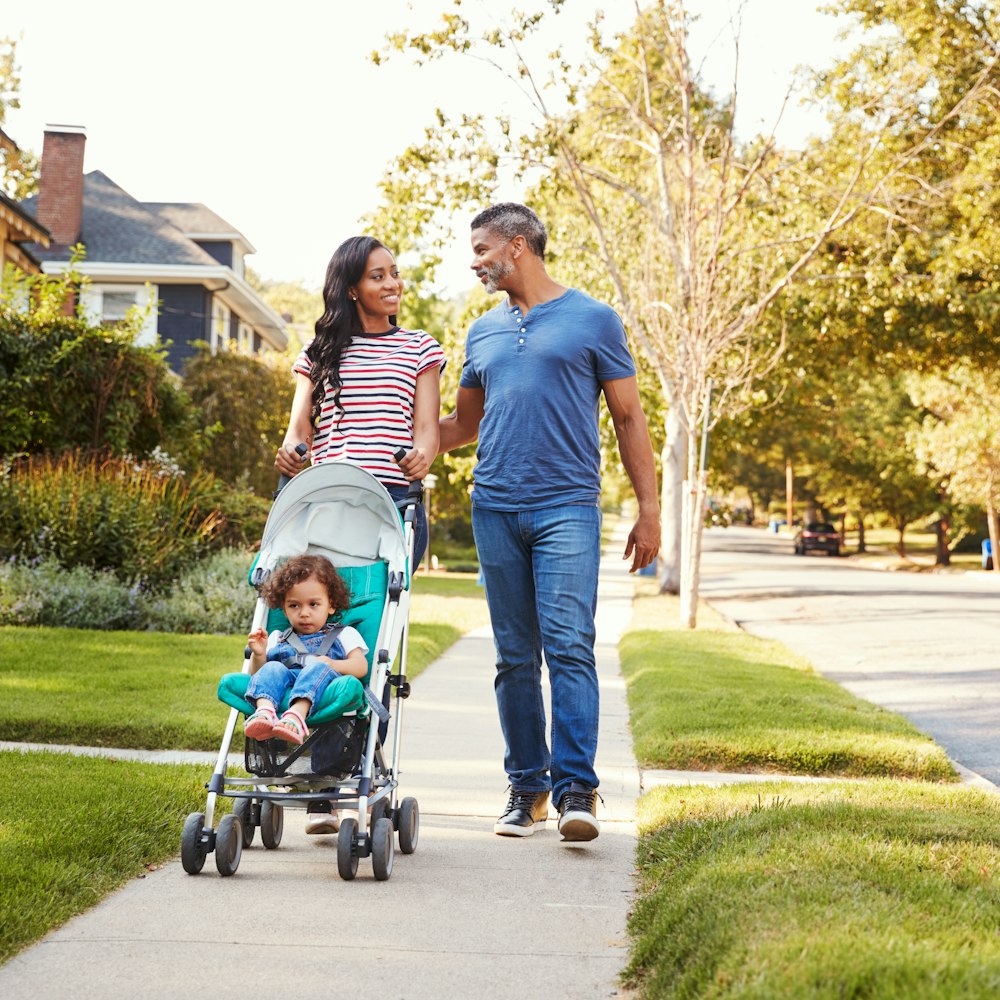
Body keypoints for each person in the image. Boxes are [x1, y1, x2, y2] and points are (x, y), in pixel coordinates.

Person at [438, 203, 660, 843]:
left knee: (568, 646)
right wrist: (386, 439)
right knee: (513, 658)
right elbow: (462, 427)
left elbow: (628, 418)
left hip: (566, 505)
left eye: (482, 249)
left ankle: (576, 792)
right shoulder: (481, 331)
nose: (475, 261)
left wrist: (649, 511)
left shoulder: (593, 319)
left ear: (517, 245)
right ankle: (527, 789)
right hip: (495, 505)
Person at [274, 235, 444, 566]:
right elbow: (299, 431)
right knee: (316, 607)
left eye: (394, 273)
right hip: (326, 498)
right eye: (377, 276)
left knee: (385, 610)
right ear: (352, 289)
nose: (393, 284)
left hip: (394, 501)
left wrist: (421, 457)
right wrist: (290, 455)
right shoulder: (318, 351)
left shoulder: (420, 347)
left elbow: (426, 427)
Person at [244, 554, 369, 744]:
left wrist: (333, 664)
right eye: (294, 606)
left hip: (322, 683)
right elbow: (259, 674)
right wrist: (259, 654)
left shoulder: (344, 634)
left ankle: (296, 715)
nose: (304, 613)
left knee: (317, 668)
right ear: (284, 610)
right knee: (273, 668)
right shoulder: (278, 637)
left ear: (331, 605)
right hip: (285, 681)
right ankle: (264, 712)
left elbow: (361, 666)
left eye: (313, 604)